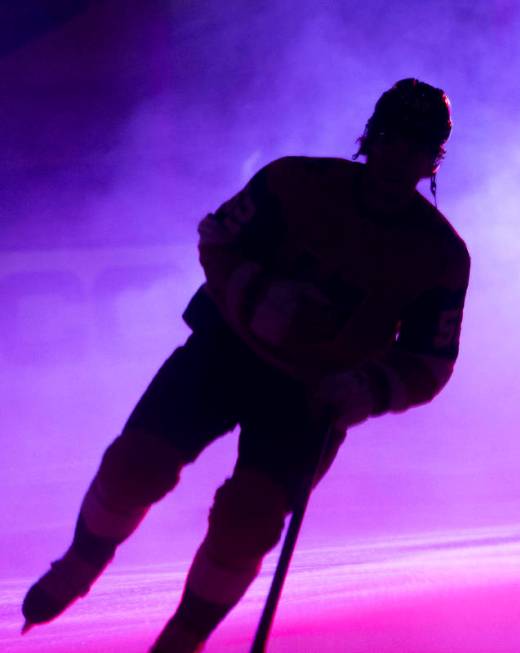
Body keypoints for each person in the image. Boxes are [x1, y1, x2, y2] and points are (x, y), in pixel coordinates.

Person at [21, 78, 470, 652]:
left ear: (434, 160)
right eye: (392, 139)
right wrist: (254, 295)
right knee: (135, 464)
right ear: (371, 136)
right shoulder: (295, 182)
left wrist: (366, 389)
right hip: (225, 351)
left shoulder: (439, 254)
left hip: (312, 397)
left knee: (250, 520)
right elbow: (218, 237)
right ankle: (82, 561)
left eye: (418, 148)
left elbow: (430, 360)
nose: (399, 157)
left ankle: (184, 637)